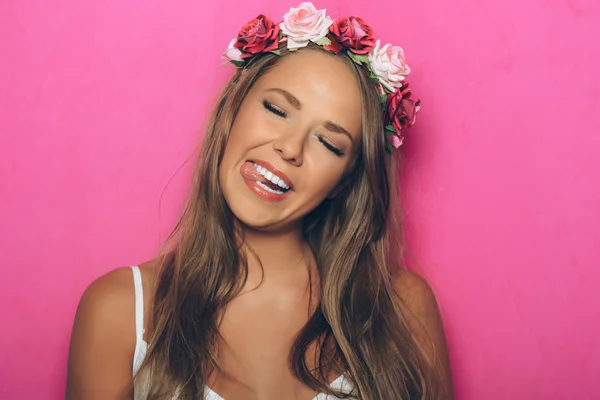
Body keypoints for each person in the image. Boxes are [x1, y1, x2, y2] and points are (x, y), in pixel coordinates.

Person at [66, 3, 454, 399]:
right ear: (232, 109)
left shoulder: (404, 310)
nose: (289, 148)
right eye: (276, 109)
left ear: (344, 181)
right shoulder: (119, 312)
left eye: (328, 142)